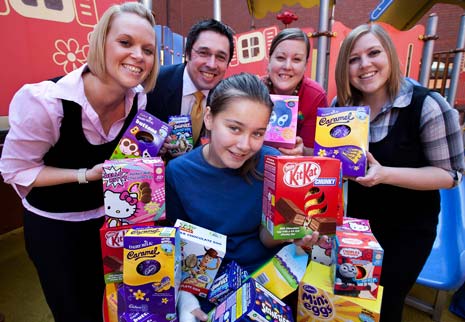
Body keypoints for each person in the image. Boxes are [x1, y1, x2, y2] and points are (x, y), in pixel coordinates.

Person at [0, 3, 158, 321]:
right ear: (101, 43)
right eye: (125, 42)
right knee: (72, 312)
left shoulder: (137, 97)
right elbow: (15, 171)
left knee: (109, 306)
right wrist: (85, 174)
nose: (139, 56)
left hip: (106, 223)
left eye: (148, 49)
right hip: (55, 230)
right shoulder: (46, 102)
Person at [333, 23, 465, 322]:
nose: (365, 64)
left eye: (373, 53)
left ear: (390, 56)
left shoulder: (428, 106)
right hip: (355, 231)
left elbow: (450, 175)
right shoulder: (341, 107)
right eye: (354, 59)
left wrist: (385, 174)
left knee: (385, 306)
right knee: (350, 306)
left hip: (406, 233)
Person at [165, 73, 316, 321]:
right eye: (234, 128)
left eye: (257, 133)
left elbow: (269, 238)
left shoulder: (273, 165)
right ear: (210, 118)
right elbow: (179, 248)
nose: (245, 145)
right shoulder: (179, 172)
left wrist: (296, 239)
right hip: (206, 293)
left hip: (268, 289)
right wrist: (187, 300)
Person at [146, 19, 234, 157]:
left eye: (220, 57)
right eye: (203, 53)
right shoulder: (154, 83)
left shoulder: (227, 98)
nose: (211, 64)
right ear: (187, 54)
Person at [262, 28, 329, 156]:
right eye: (280, 58)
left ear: (305, 65)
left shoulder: (314, 96)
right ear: (269, 60)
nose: (287, 66)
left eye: (296, 60)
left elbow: (318, 152)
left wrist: (302, 151)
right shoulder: (253, 91)